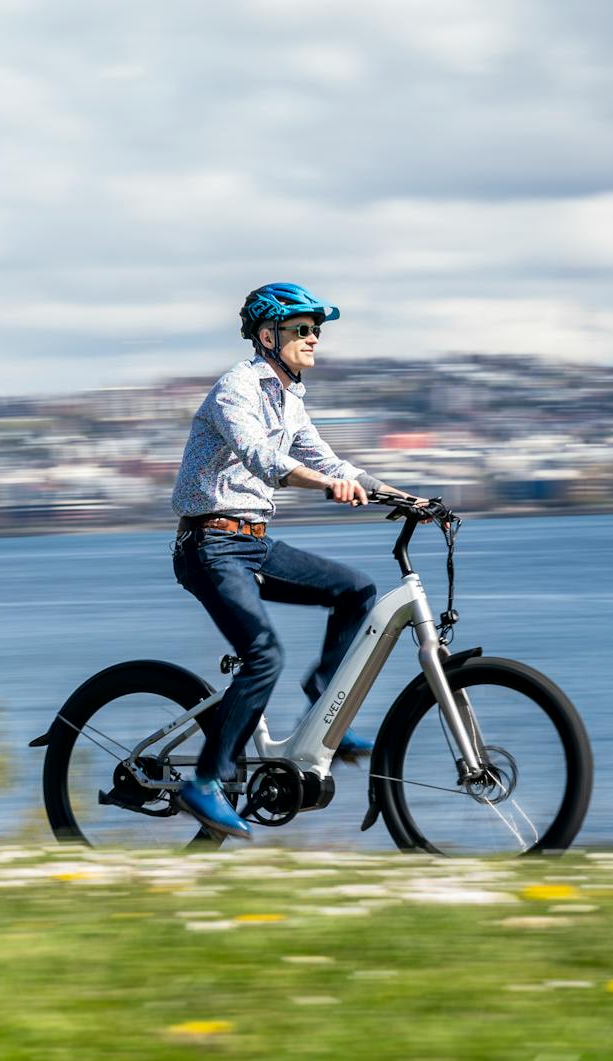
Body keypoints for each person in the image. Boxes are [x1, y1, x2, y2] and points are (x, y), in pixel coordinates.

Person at [168, 282, 425, 840]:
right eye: (302, 330)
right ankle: (205, 782)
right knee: (263, 655)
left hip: (253, 542)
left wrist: (409, 500)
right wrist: (327, 485)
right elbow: (264, 460)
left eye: (317, 331)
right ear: (268, 336)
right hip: (210, 545)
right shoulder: (236, 388)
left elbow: (332, 462)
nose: (314, 340)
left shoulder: (289, 398)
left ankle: (322, 695)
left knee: (356, 591)